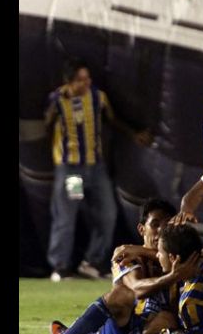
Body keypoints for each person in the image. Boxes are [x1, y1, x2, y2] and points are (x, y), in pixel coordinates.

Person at [34, 201, 200, 334]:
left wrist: (148, 252)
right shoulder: (127, 255)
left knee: (167, 319)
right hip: (120, 331)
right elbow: (136, 290)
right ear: (142, 229)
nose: (160, 231)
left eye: (166, 225)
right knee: (122, 294)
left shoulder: (179, 258)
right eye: (154, 225)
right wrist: (173, 276)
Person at [44, 58, 153, 281]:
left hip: (95, 169)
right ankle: (60, 267)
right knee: (68, 214)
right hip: (72, 170)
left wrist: (133, 133)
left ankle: (92, 262)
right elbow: (46, 125)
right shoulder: (57, 100)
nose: (87, 83)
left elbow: (111, 120)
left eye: (88, 78)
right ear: (70, 82)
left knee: (107, 214)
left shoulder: (97, 97)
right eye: (81, 80)